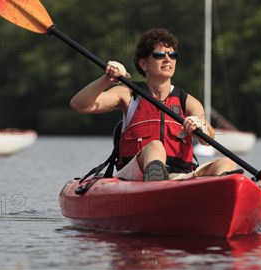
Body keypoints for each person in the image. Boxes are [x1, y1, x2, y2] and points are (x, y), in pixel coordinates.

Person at [70, 28, 237, 181]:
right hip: (135, 174)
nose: (167, 59)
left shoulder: (187, 101)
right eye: (159, 55)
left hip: (180, 176)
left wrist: (200, 127)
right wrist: (107, 79)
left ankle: (224, 193)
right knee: (155, 146)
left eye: (172, 55)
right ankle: (156, 179)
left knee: (226, 163)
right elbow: (79, 104)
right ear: (144, 64)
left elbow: (208, 138)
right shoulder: (128, 94)